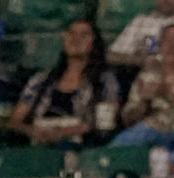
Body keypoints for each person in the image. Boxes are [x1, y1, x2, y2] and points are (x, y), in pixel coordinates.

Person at [8, 15, 119, 147]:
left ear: (94, 43)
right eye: (71, 33)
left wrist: (63, 132)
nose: (75, 39)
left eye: (84, 35)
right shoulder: (41, 80)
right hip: (39, 145)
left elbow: (105, 122)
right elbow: (15, 121)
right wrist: (31, 131)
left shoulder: (105, 80)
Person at [114, 22, 174, 151]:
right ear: (159, 47)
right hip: (146, 134)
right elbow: (128, 120)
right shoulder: (147, 76)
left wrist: (166, 94)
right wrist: (145, 103)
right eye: (169, 41)